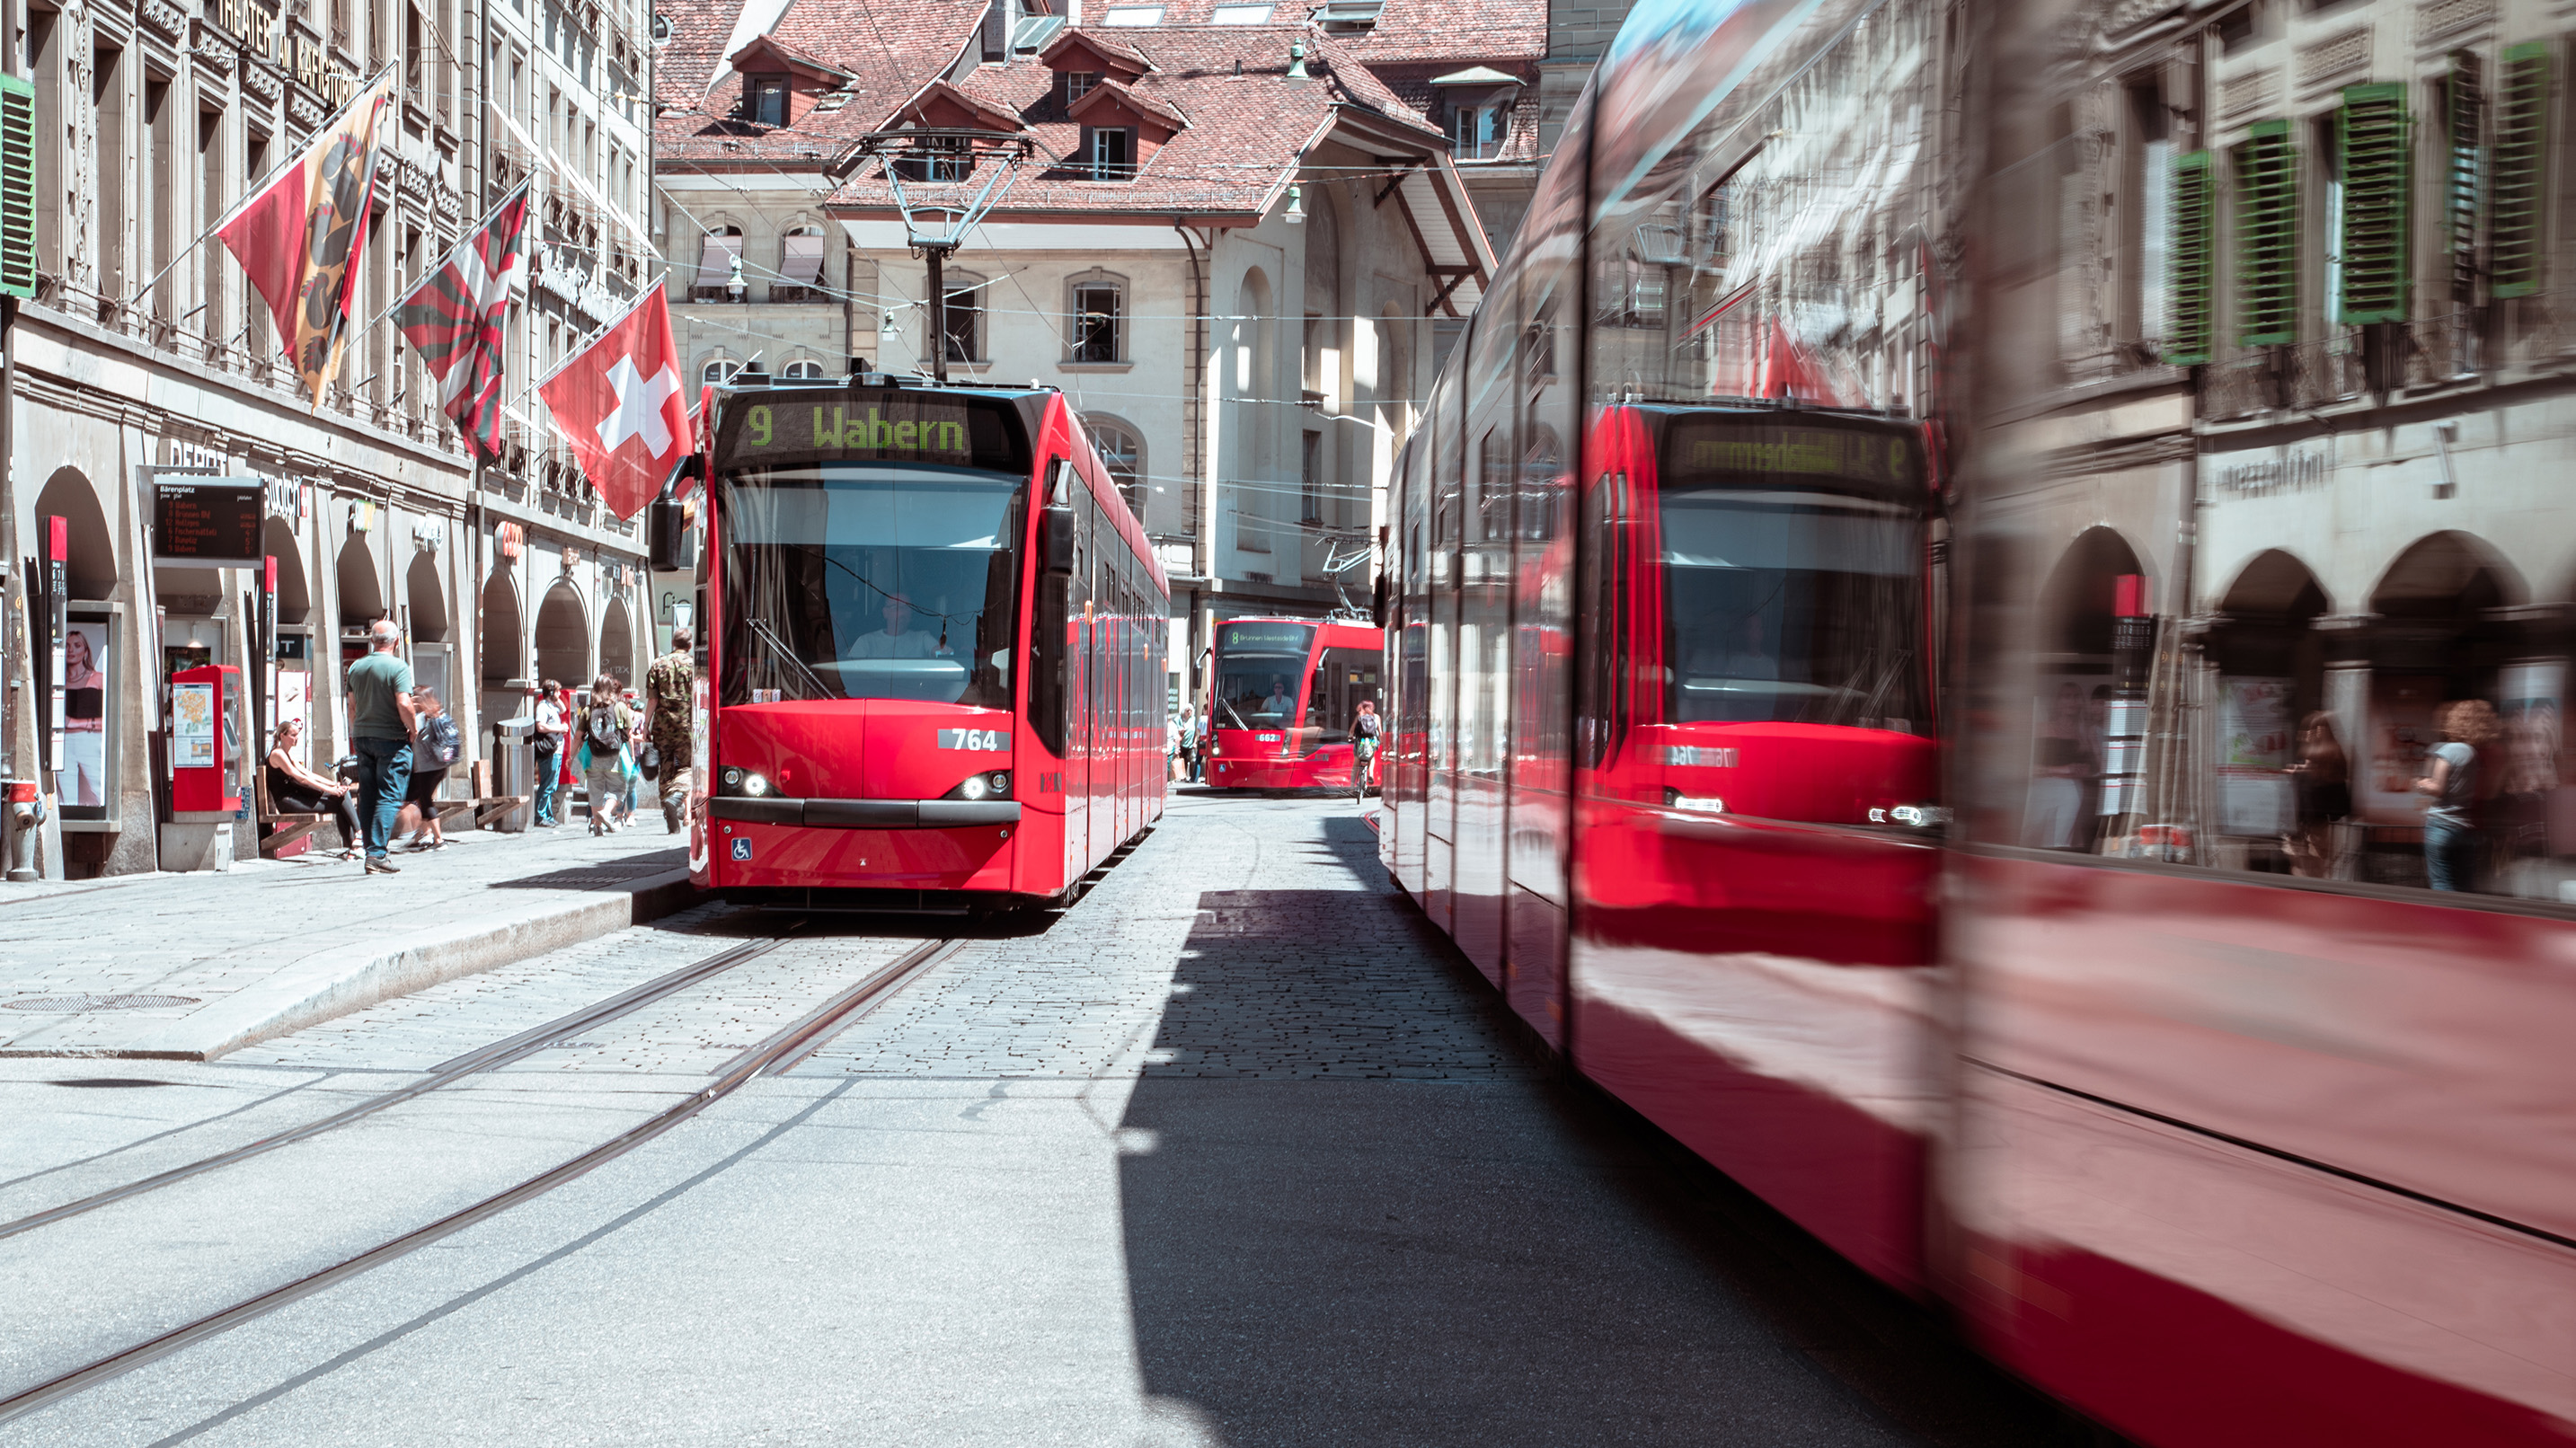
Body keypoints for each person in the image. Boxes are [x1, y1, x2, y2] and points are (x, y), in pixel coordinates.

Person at [344, 619, 417, 875]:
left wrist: (356, 734)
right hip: (392, 739)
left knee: (368, 795)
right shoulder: (398, 667)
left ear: (372, 641)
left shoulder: (356, 667)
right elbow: (404, 704)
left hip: (363, 737)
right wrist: (413, 729)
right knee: (389, 795)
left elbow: (352, 706)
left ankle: (369, 850)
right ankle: (376, 854)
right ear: (396, 642)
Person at [2417, 698, 2500, 892]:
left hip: (2442, 826)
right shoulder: (2475, 754)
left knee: (2442, 883)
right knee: (2465, 886)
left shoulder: (2450, 750)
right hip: (2466, 828)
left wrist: (2420, 784)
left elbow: (2438, 788)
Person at [263, 719, 360, 860]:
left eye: (297, 735)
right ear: (282, 736)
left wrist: (334, 785)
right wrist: (331, 790)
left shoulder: (288, 755)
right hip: (287, 801)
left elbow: (309, 774)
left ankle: (355, 843)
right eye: (293, 735)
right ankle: (357, 839)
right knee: (340, 800)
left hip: (297, 797)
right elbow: (302, 779)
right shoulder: (278, 754)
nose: (296, 739)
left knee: (342, 795)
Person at [2282, 711, 2350, 879]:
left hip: (2313, 819)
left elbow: (2326, 781)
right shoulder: (2325, 753)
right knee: (2306, 864)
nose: (2315, 732)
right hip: (2308, 819)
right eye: (2313, 728)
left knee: (2309, 864)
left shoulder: (2328, 754)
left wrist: (2299, 771)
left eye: (2320, 728)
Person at [642, 628, 696, 833]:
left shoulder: (658, 664)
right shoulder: (694, 665)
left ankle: (668, 808)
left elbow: (653, 699)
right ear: (689, 645)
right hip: (687, 726)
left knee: (665, 767)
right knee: (685, 767)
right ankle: (676, 797)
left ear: (673, 643)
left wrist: (646, 725)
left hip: (662, 726)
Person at [395, 688, 461, 852]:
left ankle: (439, 840)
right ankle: (424, 835)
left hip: (425, 769)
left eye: (416, 698)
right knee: (421, 799)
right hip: (439, 766)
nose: (413, 701)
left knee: (425, 801)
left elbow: (410, 734)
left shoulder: (421, 718)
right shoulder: (439, 714)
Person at [579, 675, 636, 834]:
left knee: (596, 789)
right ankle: (605, 812)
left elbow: (578, 736)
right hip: (614, 756)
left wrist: (571, 756)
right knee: (618, 789)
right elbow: (628, 735)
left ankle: (597, 825)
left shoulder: (588, 710)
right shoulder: (620, 707)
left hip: (594, 756)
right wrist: (631, 757)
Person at [61, 625, 105, 808]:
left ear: (85, 651)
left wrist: (74, 723)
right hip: (63, 742)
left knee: (98, 789)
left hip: (91, 741)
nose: (71, 650)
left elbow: (109, 720)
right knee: (65, 795)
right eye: (67, 645)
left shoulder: (98, 679)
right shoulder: (59, 680)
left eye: (77, 645)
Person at [845, 594, 945, 659]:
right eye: (895, 607)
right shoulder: (866, 641)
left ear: (911, 613)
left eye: (906, 607)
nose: (901, 612)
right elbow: (848, 670)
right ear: (885, 612)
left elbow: (939, 651)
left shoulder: (922, 637)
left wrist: (941, 651)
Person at [532, 678, 567, 827]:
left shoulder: (551, 706)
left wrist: (556, 697)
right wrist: (559, 729)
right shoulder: (542, 707)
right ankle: (540, 815)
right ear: (551, 692)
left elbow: (564, 709)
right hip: (549, 751)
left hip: (556, 750)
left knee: (552, 784)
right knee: (546, 784)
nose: (560, 694)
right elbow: (540, 726)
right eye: (558, 691)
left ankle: (547, 815)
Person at [1350, 698, 1382, 797]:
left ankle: (1351, 786)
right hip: (1372, 741)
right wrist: (1381, 741)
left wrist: (1350, 736)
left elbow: (1352, 730)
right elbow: (1380, 732)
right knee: (1371, 758)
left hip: (1361, 741)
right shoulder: (1376, 717)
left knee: (1356, 763)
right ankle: (1370, 774)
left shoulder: (1359, 716)